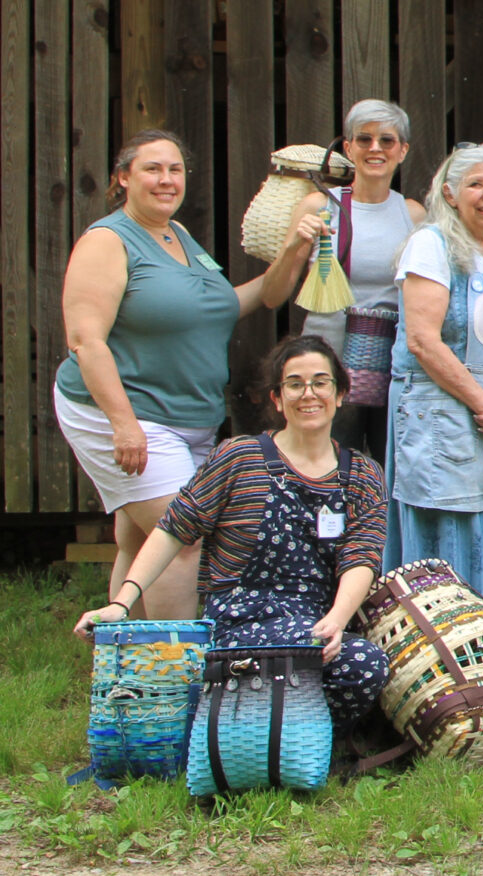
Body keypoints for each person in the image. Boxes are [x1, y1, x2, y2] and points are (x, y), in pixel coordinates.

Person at [57, 130, 317, 622]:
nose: (166, 179)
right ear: (123, 178)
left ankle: (126, 672)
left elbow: (251, 298)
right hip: (130, 413)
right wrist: (124, 424)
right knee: (184, 541)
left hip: (189, 420)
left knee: (141, 545)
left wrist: (295, 247)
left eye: (175, 170)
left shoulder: (177, 237)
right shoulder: (108, 240)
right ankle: (177, 673)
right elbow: (85, 340)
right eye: (152, 169)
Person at [73, 336, 391, 736]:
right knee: (288, 667)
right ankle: (271, 735)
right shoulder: (239, 457)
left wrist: (336, 622)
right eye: (294, 383)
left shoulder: (363, 475)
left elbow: (361, 558)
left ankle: (276, 735)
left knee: (365, 666)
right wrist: (122, 603)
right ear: (277, 399)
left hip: (316, 625)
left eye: (320, 382)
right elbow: (173, 529)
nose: (307, 394)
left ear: (340, 393)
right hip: (236, 626)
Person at [386, 143, 483, 653]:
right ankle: (445, 658)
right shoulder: (430, 245)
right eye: (476, 184)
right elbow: (422, 340)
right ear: (449, 194)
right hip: (442, 413)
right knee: (451, 524)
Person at [270, 99, 427, 459]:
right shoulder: (318, 207)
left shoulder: (413, 215)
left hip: (391, 369)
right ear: (348, 148)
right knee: (329, 469)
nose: (375, 148)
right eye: (364, 139)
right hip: (326, 371)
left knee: (393, 474)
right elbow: (272, 295)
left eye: (387, 140)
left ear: (402, 150)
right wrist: (295, 244)